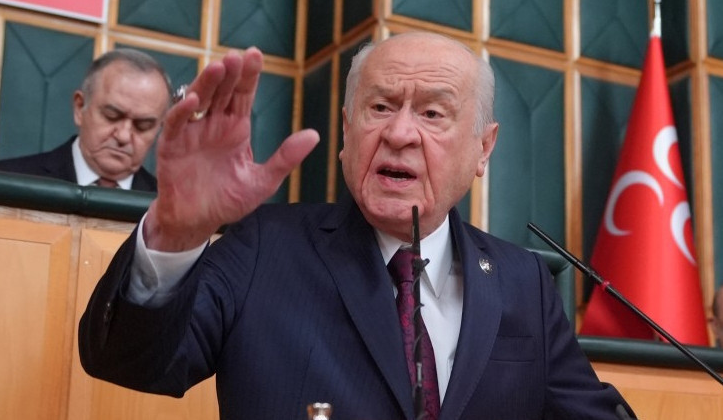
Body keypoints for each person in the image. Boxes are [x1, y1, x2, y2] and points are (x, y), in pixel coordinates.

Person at [78, 32, 635, 419]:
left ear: (483, 148)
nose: (399, 133)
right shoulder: (264, 247)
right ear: (347, 130)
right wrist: (175, 234)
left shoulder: (523, 283)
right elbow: (130, 362)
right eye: (380, 107)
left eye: (432, 113)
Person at [0, 48, 172, 191]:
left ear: (159, 129)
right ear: (80, 107)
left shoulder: (170, 210)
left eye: (142, 126)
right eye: (111, 116)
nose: (123, 136)